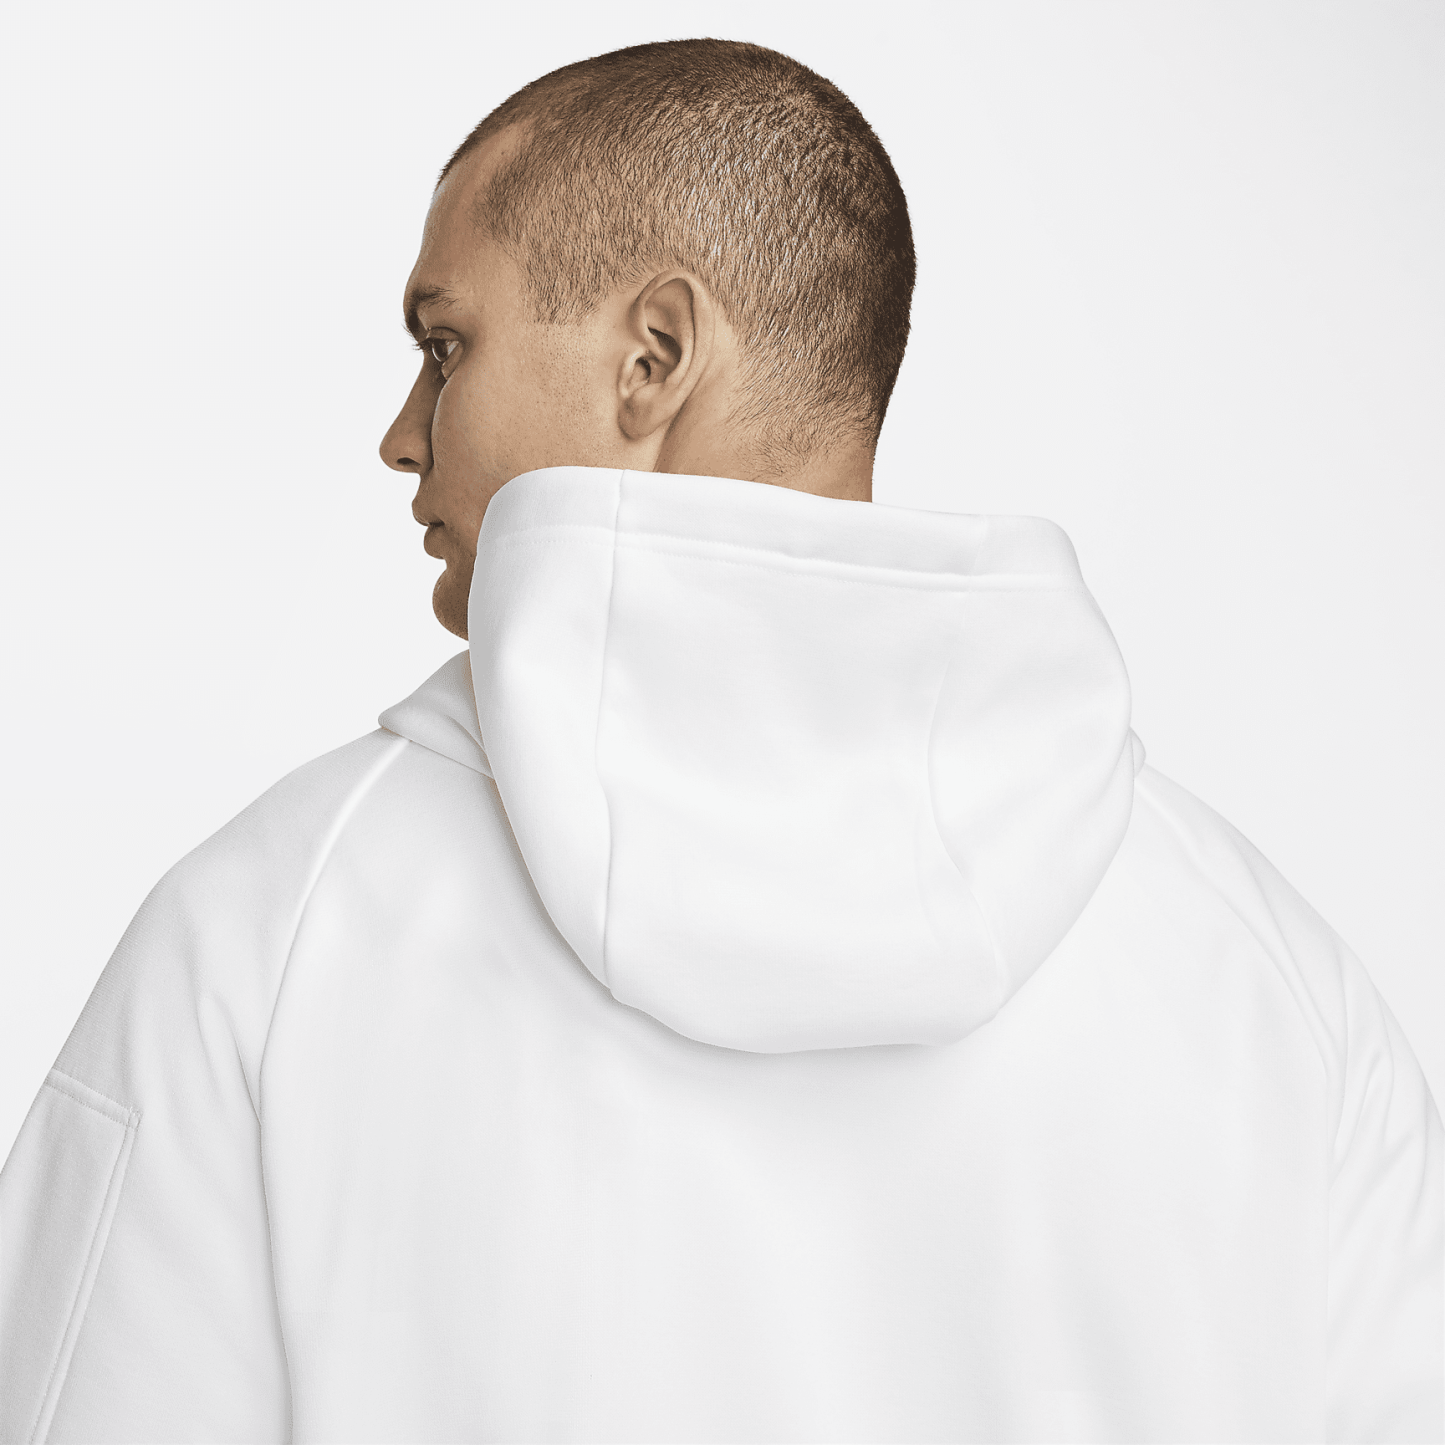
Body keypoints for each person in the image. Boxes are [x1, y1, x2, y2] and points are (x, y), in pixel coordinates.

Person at [1, 35, 1439, 1445]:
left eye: (446, 347)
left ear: (656, 357)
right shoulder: (1269, 991)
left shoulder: (271, 936)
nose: (403, 433)